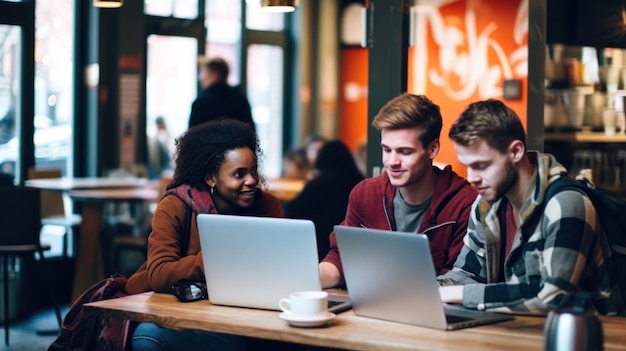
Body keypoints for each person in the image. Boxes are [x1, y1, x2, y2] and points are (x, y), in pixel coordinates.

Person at [437, 99, 625, 316]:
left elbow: (552, 297)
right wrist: (429, 289)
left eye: (481, 165)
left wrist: (460, 294)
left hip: (588, 337)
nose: (471, 178)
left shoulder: (566, 203)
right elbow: (466, 273)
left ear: (516, 152)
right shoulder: (486, 205)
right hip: (521, 330)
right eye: (467, 166)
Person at [127, 119, 284, 350]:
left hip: (254, 317)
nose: (251, 180)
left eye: (253, 171)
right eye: (239, 174)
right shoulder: (176, 206)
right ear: (211, 178)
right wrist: (221, 258)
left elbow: (282, 268)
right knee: (147, 335)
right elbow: (159, 273)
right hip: (191, 316)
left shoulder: (267, 206)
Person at [319, 93, 477, 289]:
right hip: (370, 305)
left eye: (404, 151)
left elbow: (459, 278)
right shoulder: (365, 194)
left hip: (433, 312)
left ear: (433, 149)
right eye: (386, 150)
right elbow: (342, 257)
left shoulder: (464, 204)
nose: (392, 162)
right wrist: (312, 278)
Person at [284, 140, 364, 261]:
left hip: (317, 248)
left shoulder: (318, 184)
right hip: (352, 249)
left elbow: (291, 210)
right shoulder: (360, 184)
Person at [188, 57, 255, 131]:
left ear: (215, 74)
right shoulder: (240, 99)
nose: (200, 78)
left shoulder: (201, 103)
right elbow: (251, 132)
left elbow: (191, 138)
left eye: (204, 72)